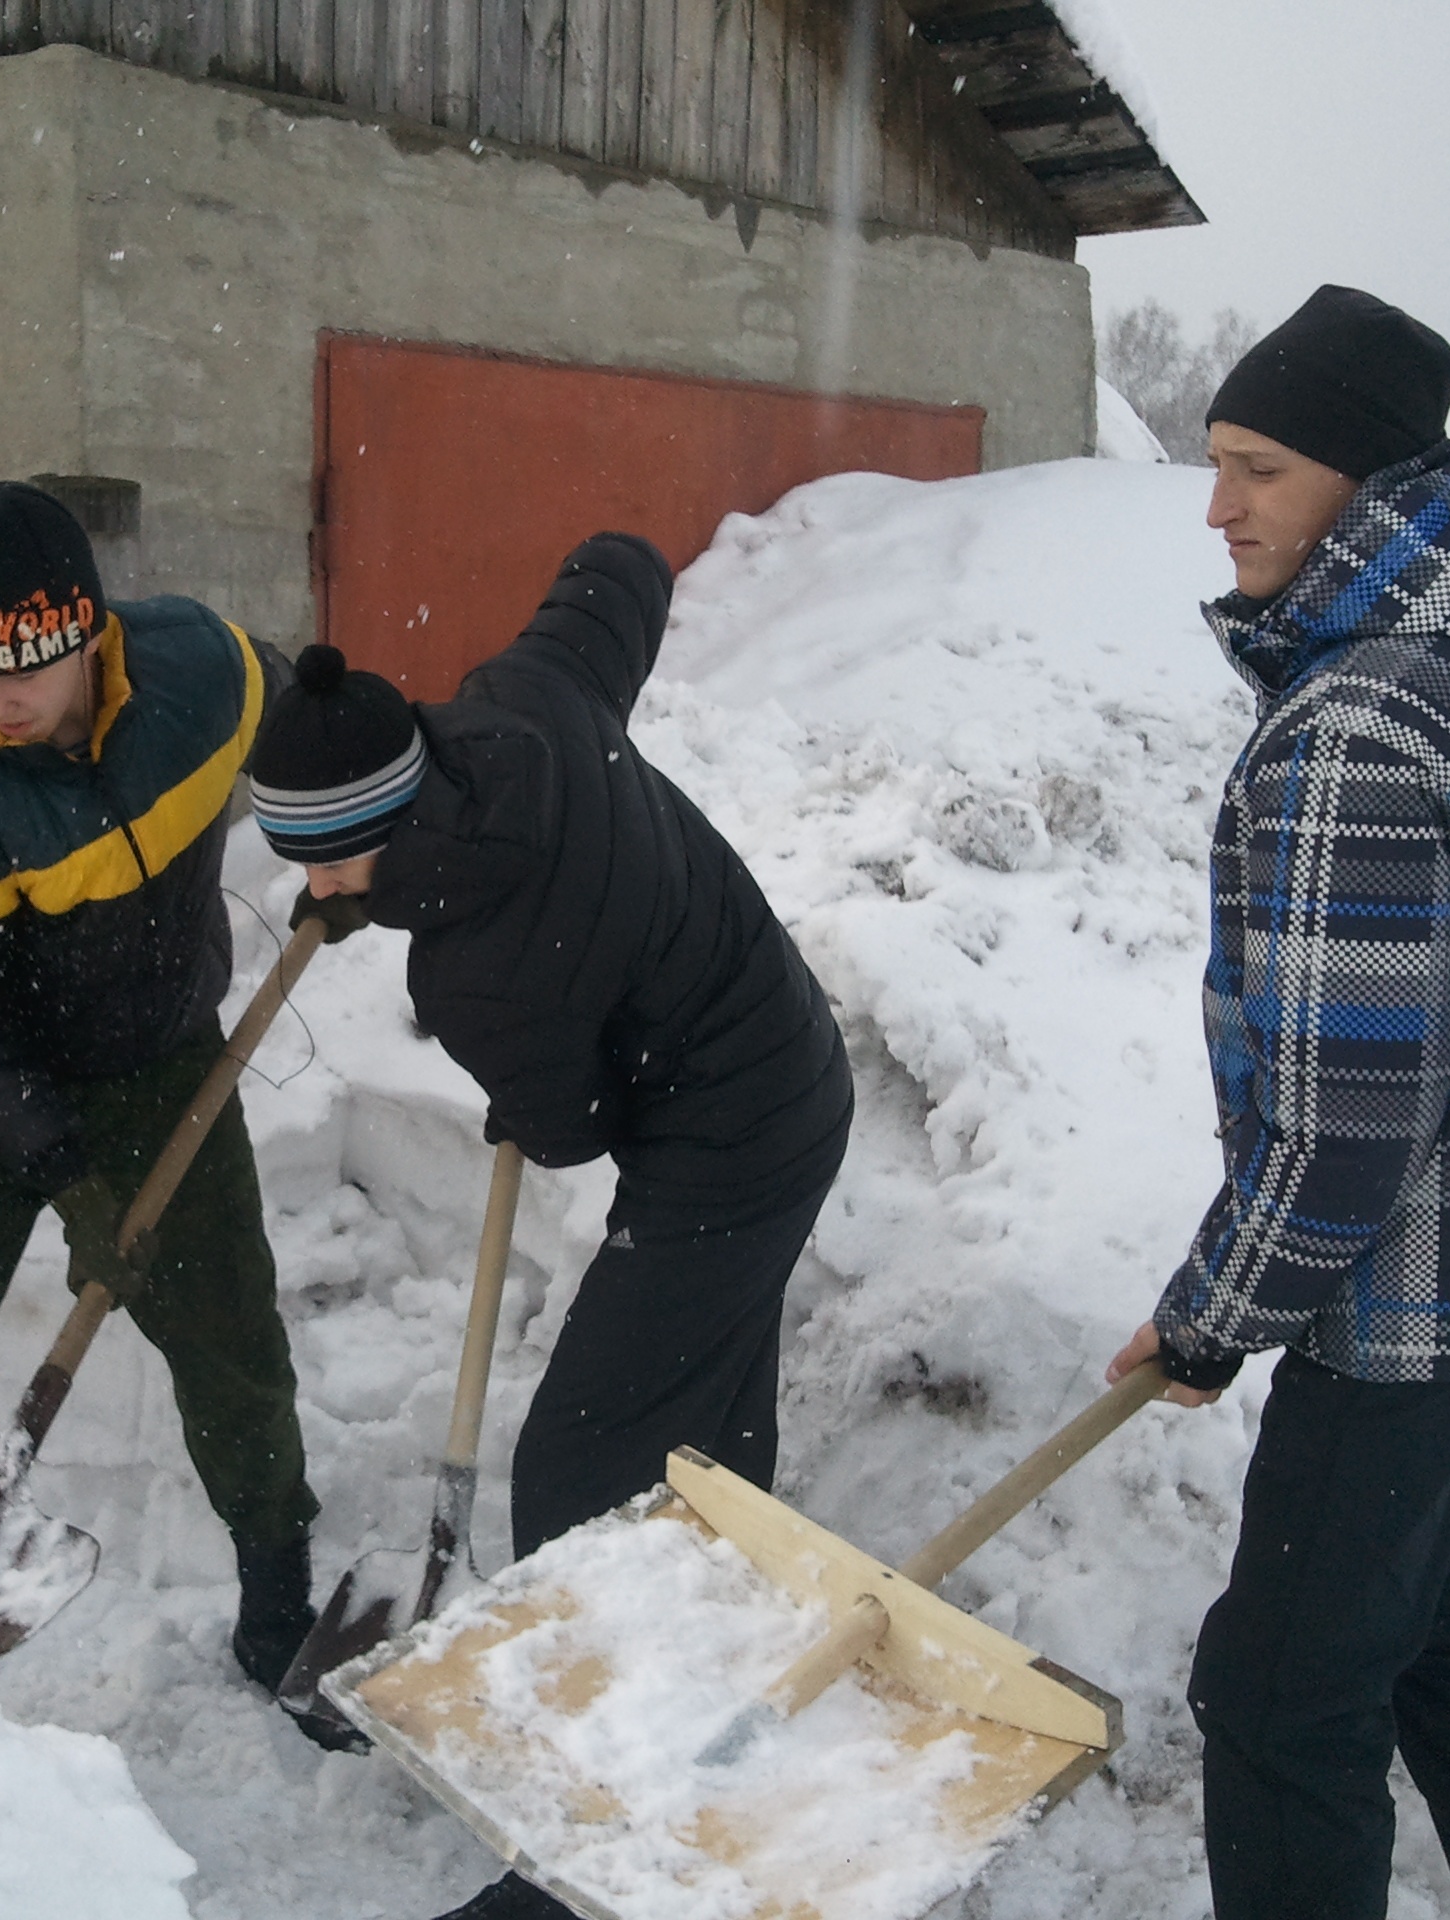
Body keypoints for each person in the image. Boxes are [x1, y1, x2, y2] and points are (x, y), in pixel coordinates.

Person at [1101, 287, 1450, 1920]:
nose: (1218, 504)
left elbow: (1340, 1134)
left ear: (1367, 487)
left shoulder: (1359, 739)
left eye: (1257, 466)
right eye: (1215, 461)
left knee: (1279, 1699)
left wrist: (1206, 1318)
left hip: (1402, 1319)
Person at [248, 533, 854, 1920]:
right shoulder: (521, 703)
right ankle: (726, 1701)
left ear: (369, 839)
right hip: (781, 1054)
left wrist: (522, 1081)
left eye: (320, 865)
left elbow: (568, 1127)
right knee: (700, 1440)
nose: (313, 889)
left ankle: (595, 1834)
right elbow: (614, 579)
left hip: (727, 1143)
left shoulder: (486, 972)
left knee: (581, 1458)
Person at [0, 480, 325, 1696]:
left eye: (22, 668)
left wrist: (351, 832)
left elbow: (311, 718)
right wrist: (64, 1173)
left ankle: (278, 1592)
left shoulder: (199, 677)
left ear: (86, 631)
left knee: (227, 1332)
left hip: (160, 1061)